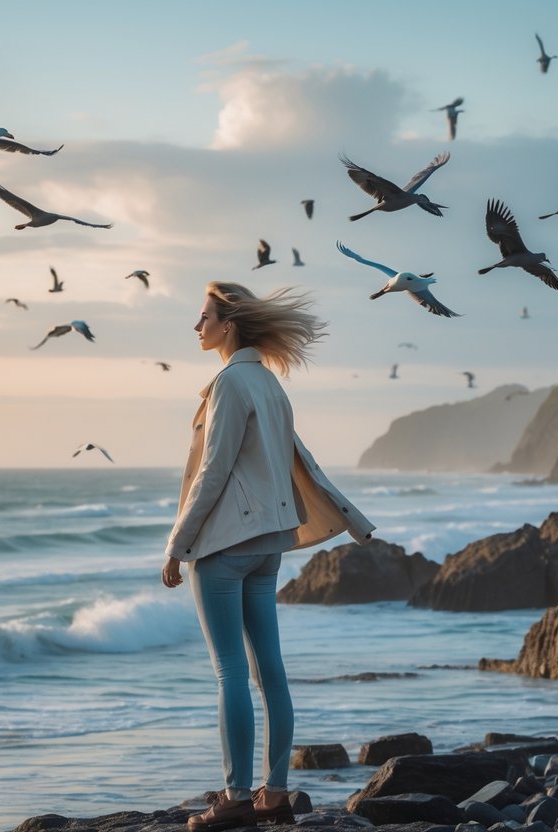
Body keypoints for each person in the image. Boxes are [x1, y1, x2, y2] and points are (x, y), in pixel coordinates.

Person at [162, 282, 376, 831]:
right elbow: (295, 458)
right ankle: (274, 794)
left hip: (226, 545)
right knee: (270, 672)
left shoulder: (232, 383)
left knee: (231, 673)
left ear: (228, 325)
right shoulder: (270, 383)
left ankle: (235, 798)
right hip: (268, 547)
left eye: (203, 315)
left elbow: (213, 471)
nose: (197, 325)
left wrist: (177, 545)